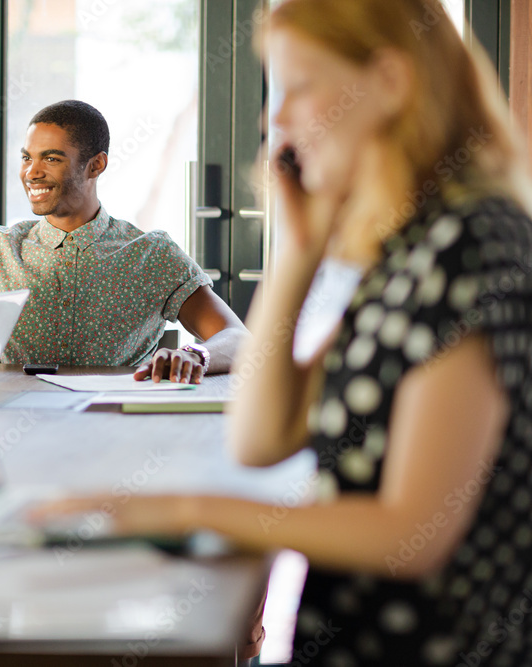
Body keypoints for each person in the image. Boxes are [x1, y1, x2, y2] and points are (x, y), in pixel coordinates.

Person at [35, 0, 532, 664]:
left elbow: (414, 531)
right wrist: (295, 255)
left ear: (388, 81)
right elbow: (261, 439)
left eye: (298, 87)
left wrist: (187, 509)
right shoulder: (408, 248)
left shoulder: (470, 245)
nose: (278, 121)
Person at [0, 100, 248, 384]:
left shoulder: (150, 254)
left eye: (51, 159)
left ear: (96, 165)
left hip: (114, 431)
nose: (31, 172)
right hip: (8, 429)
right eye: (27, 158)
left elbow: (238, 339)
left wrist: (195, 356)